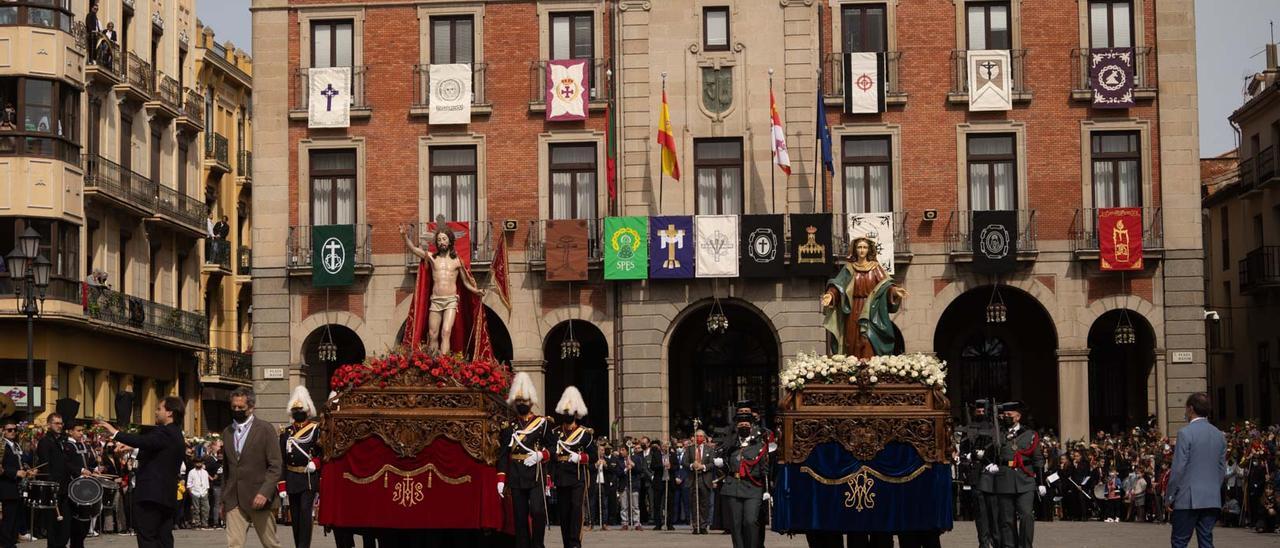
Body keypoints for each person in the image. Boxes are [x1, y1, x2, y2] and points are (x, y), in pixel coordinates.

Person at [96, 396, 186, 548]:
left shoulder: (165, 432)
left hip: (151, 496)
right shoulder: (175, 434)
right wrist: (133, 448)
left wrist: (116, 433)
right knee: (163, 538)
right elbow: (156, 451)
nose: (156, 412)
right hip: (165, 496)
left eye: (159, 409)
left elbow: (145, 441)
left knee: (148, 537)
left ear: (170, 413)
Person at [400, 221, 484, 355]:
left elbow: (465, 282)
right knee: (433, 334)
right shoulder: (432, 258)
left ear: (450, 241)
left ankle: (445, 364)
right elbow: (414, 250)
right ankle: (434, 363)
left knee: (446, 331)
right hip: (436, 301)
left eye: (444, 239)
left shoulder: (457, 261)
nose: (441, 242)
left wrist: (476, 290)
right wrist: (404, 236)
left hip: (451, 300)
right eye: (439, 240)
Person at [821, 237, 907, 359]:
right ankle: (852, 368)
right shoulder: (849, 268)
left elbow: (886, 285)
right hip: (852, 310)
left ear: (869, 250)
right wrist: (830, 295)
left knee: (867, 340)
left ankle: (869, 368)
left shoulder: (875, 267)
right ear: (855, 250)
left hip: (871, 310)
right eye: (859, 247)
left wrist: (895, 291)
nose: (862, 250)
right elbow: (838, 285)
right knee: (851, 340)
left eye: (865, 247)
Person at [220, 387, 283, 548]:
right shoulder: (227, 432)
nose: (236, 410)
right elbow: (227, 469)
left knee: (270, 543)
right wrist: (223, 500)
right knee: (234, 544)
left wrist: (264, 492)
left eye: (241, 408)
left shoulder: (265, 429)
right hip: (234, 499)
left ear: (251, 407)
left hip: (259, 498)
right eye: (233, 407)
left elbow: (275, 465)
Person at [497, 372, 553, 548]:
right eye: (518, 401)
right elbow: (503, 454)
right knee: (519, 517)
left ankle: (538, 544)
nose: (521, 403)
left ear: (531, 402)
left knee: (537, 512)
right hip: (515, 474)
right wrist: (501, 478)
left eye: (524, 400)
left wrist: (541, 455)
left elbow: (554, 447)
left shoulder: (542, 424)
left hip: (536, 474)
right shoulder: (509, 426)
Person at [1165, 392, 1226, 548]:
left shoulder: (1185, 433)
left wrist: (1170, 496)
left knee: (1179, 542)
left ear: (1191, 409)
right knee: (1206, 542)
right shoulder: (1219, 435)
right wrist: (1213, 489)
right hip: (1211, 498)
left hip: (1188, 498)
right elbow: (1221, 470)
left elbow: (1178, 469)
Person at [714, 410, 770, 548]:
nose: (743, 426)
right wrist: (720, 465)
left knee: (750, 521)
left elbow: (765, 469)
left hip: (753, 488)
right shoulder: (730, 445)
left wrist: (768, 490)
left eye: (746, 424)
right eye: (740, 424)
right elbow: (724, 466)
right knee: (735, 524)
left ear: (751, 427)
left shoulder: (759, 446)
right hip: (733, 487)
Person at [992, 401, 1043, 548]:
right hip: (1004, 478)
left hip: (1025, 479)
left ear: (1018, 416)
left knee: (1027, 515)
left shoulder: (1030, 434)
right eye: (1004, 414)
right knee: (1007, 518)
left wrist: (1040, 482)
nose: (1005, 417)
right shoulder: (998, 433)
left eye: (1009, 414)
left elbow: (1038, 458)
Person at [550, 386, 593, 548]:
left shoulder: (584, 433)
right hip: (561, 477)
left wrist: (580, 457)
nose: (568, 415)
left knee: (576, 510)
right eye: (565, 412)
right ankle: (566, 543)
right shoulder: (556, 433)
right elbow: (553, 456)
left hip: (577, 477)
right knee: (564, 512)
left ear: (575, 413)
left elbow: (593, 455)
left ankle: (575, 543)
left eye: (570, 412)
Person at [278, 386, 321, 548]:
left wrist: (315, 463)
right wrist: (281, 484)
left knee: (304, 512)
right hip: (291, 477)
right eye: (295, 410)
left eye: (300, 409)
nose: (298, 412)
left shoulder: (316, 430)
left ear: (307, 411)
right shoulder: (286, 432)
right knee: (295, 516)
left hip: (308, 477)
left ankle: (304, 546)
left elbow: (323, 453)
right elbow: (281, 459)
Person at [960, 400, 999, 548]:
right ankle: (983, 542)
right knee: (980, 513)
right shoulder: (969, 428)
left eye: (983, 412)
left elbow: (998, 449)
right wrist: (968, 456)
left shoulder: (993, 427)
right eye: (978, 411)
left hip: (992, 474)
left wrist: (991, 460)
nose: (981, 414)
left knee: (994, 512)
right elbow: (963, 452)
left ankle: (996, 541)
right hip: (976, 474)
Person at [36, 406, 74, 548]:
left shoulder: (63, 441)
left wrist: (81, 470)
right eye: (56, 423)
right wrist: (52, 486)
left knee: (65, 525)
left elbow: (67, 463)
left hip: (65, 488)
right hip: (53, 489)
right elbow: (45, 466)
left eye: (61, 423)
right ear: (49, 424)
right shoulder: (45, 442)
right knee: (53, 526)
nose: (60, 426)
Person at [62, 421, 98, 548]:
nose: (81, 433)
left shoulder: (83, 445)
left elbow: (89, 463)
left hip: (85, 486)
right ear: (71, 431)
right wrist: (81, 471)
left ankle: (80, 543)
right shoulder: (67, 446)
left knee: (85, 518)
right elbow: (66, 464)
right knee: (76, 519)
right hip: (74, 486)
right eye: (78, 430)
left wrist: (95, 470)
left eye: (82, 431)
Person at [0, 413, 32, 548]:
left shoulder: (16, 445)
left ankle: (12, 542)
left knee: (15, 520)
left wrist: (28, 470)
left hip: (17, 487)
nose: (13, 432)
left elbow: (22, 462)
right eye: (9, 430)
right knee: (8, 520)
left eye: (15, 429)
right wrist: (15, 472)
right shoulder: (1, 446)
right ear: (2, 430)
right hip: (6, 487)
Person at [688, 429, 715, 534]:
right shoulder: (690, 449)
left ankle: (703, 525)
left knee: (705, 504)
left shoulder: (709, 449)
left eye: (700, 436)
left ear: (704, 438)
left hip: (705, 479)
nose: (698, 438)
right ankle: (695, 525)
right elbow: (685, 462)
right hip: (693, 479)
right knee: (694, 504)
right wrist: (692, 465)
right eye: (697, 436)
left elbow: (712, 464)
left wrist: (703, 466)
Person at [186, 461, 210, 529]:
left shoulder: (205, 472)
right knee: (196, 509)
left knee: (206, 508)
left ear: (202, 463)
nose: (198, 464)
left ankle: (205, 523)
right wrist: (191, 492)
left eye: (200, 463)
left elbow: (207, 482)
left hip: (204, 492)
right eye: (197, 463)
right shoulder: (191, 472)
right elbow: (189, 483)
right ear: (195, 463)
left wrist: (207, 490)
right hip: (195, 492)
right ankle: (197, 523)